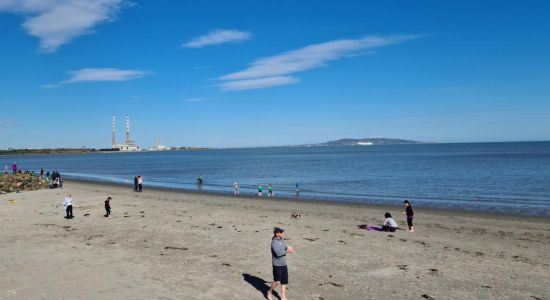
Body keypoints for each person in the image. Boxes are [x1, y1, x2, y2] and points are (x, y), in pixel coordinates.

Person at [267, 227, 295, 300]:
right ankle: (269, 292)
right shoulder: (274, 242)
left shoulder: (282, 239)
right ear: (277, 233)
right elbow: (278, 253)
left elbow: (285, 246)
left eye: (282, 232)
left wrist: (289, 247)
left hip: (283, 263)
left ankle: (283, 297)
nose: (283, 233)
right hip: (277, 264)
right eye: (281, 232)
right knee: (277, 281)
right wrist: (288, 251)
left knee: (284, 281)